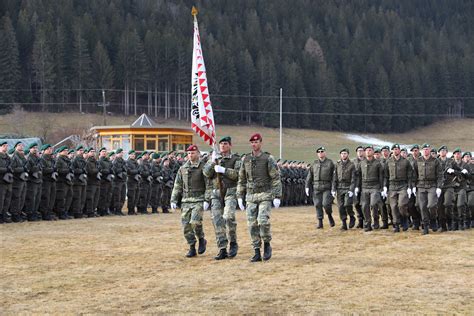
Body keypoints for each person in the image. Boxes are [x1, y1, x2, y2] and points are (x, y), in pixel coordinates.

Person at [237, 133, 282, 262]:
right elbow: (241, 179)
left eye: (256, 142)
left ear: (261, 143)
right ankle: (256, 250)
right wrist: (240, 196)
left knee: (263, 221)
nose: (254, 144)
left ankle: (267, 244)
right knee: (252, 224)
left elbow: (275, 178)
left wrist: (277, 195)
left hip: (265, 194)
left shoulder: (268, 158)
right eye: (252, 142)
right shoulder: (245, 159)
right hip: (250, 195)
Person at [203, 136, 242, 260]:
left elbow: (237, 175)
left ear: (230, 145)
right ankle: (222, 248)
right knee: (217, 220)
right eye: (221, 144)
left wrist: (223, 170)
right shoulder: (215, 158)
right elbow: (206, 174)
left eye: (225, 144)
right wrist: (211, 162)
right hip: (216, 193)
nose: (223, 146)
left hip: (230, 191)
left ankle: (233, 242)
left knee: (229, 217)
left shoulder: (236, 159)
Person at [171, 145, 210, 258]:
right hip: (186, 200)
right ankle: (192, 246)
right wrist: (173, 199)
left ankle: (201, 239)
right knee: (186, 226)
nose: (190, 155)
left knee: (195, 222)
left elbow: (208, 185)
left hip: (198, 199)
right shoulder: (183, 168)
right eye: (188, 153)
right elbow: (177, 185)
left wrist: (207, 199)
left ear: (198, 153)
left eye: (192, 153)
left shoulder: (204, 167)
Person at [413, 143, 443, 235]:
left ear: (430, 150)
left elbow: (440, 175)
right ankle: (425, 226)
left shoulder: (435, 161)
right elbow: (414, 175)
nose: (426, 150)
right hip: (421, 186)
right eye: (424, 149)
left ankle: (433, 219)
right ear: (422, 151)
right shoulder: (418, 161)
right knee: (422, 207)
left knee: (431, 205)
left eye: (427, 149)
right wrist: (413, 186)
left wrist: (439, 187)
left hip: (432, 185)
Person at [384, 144, 413, 232]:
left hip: (403, 185)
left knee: (401, 205)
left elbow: (410, 176)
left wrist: (409, 187)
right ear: (392, 151)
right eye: (394, 149)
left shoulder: (405, 161)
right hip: (392, 186)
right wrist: (385, 186)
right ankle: (396, 224)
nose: (395, 151)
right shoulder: (388, 161)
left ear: (399, 151)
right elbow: (386, 175)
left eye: (397, 149)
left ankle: (404, 218)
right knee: (393, 206)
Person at [305, 146, 335, 229]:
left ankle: (329, 215)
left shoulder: (330, 163)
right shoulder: (314, 163)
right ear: (317, 154)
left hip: (326, 187)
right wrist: (307, 186)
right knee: (317, 204)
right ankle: (320, 222)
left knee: (326, 204)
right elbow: (309, 176)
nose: (320, 153)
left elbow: (334, 176)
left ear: (325, 153)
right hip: (316, 187)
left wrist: (333, 188)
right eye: (319, 152)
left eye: (322, 151)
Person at [356, 145, 384, 231]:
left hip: (375, 187)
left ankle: (376, 221)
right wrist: (357, 187)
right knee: (364, 206)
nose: (368, 151)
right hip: (364, 187)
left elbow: (381, 177)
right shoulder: (361, 163)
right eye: (367, 150)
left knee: (374, 204)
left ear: (373, 152)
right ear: (365, 152)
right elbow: (359, 176)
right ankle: (367, 224)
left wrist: (382, 188)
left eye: (370, 150)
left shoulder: (378, 163)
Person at [332, 148, 357, 230]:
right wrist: (333, 189)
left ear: (348, 154)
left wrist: (351, 189)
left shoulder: (352, 165)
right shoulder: (337, 164)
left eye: (345, 153)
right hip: (339, 188)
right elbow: (335, 178)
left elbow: (353, 179)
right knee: (340, 207)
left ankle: (352, 216)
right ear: (340, 155)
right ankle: (344, 223)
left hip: (348, 186)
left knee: (347, 204)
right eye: (342, 153)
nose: (343, 155)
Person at [0, 141, 13, 223]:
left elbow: (12, 166)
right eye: (4, 146)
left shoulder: (8, 157)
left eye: (6, 146)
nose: (6, 147)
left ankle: (4, 215)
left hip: (8, 180)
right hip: (1, 181)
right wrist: (6, 170)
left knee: (7, 200)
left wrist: (10, 169)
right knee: (1, 200)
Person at [126, 150, 140, 215]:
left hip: (136, 181)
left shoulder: (136, 162)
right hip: (131, 181)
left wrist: (136, 172)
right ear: (129, 155)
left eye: (134, 154)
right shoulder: (127, 162)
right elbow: (128, 171)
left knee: (136, 196)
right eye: (132, 154)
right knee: (131, 196)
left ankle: (133, 209)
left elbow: (139, 170)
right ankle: (130, 210)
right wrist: (136, 172)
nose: (133, 155)